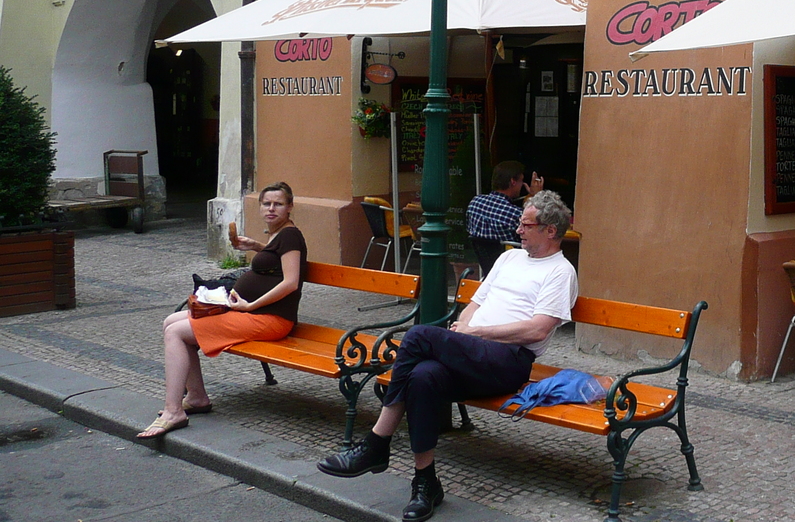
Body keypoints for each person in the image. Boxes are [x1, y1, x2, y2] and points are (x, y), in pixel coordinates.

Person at [318, 189, 577, 522]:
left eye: (526, 225)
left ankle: (376, 443)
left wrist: (473, 334)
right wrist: (461, 330)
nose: (518, 230)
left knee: (419, 334)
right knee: (423, 376)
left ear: (550, 231)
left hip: (508, 362)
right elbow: (476, 304)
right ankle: (426, 483)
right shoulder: (509, 258)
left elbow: (538, 330)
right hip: (472, 352)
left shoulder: (560, 271)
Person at [139, 182, 305, 439]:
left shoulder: (290, 235)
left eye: (278, 204)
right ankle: (195, 397)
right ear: (260, 206)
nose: (271, 208)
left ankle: (174, 411)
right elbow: (277, 261)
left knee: (176, 333)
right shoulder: (279, 234)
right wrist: (256, 247)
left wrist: (251, 305)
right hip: (251, 313)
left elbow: (290, 282)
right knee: (170, 322)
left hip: (270, 319)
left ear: (290, 207)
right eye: (266, 203)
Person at [465, 160, 543, 276]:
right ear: (513, 181)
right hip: (515, 273)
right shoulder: (516, 215)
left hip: (488, 272)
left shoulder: (474, 203)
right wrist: (537, 197)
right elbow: (539, 233)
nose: (522, 185)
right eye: (521, 181)